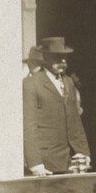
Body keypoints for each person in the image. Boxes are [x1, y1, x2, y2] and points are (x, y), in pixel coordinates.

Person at [22, 37, 91, 176]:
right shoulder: (31, 84)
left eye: (65, 57)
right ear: (46, 58)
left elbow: (75, 122)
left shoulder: (69, 82)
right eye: (57, 57)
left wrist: (84, 152)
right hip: (46, 163)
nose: (63, 61)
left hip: (72, 160)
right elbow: (29, 126)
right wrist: (35, 163)